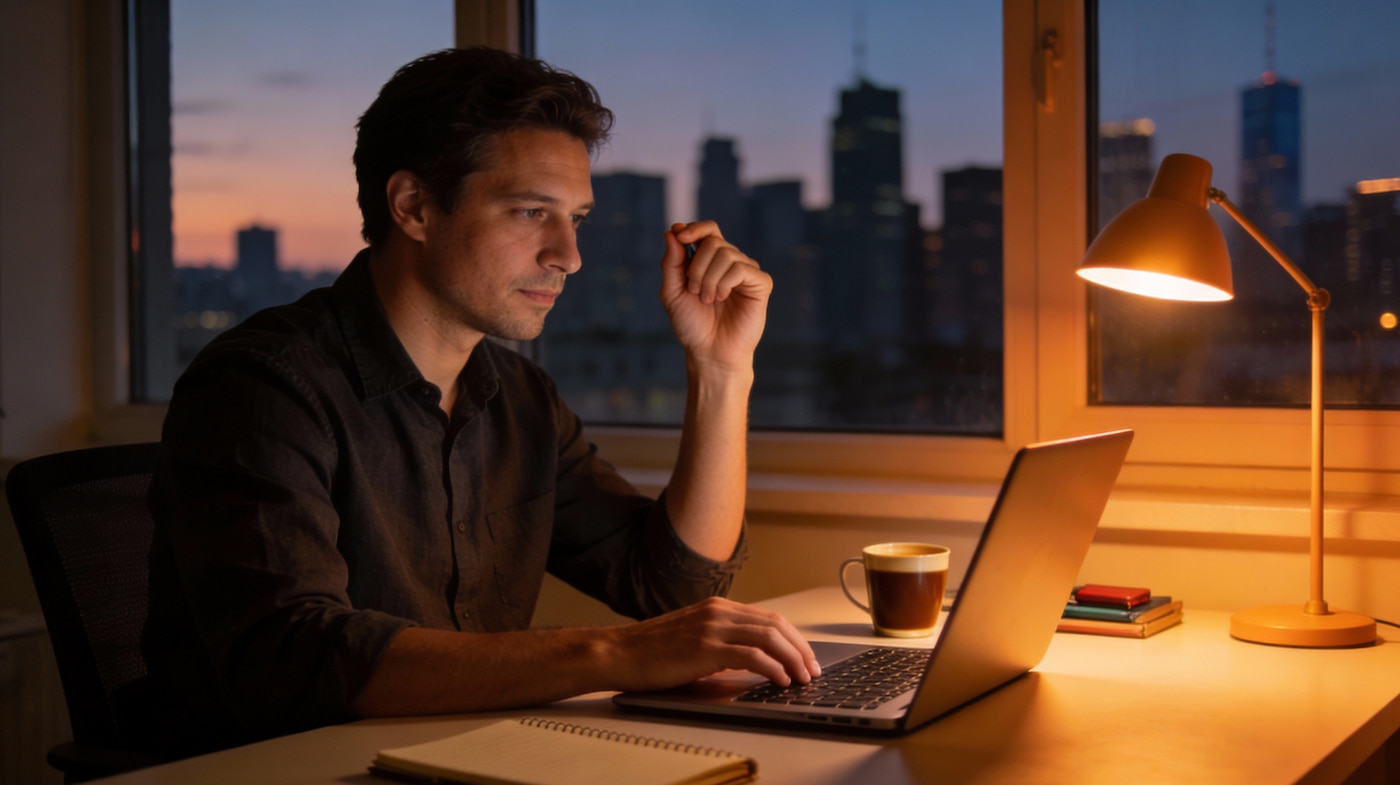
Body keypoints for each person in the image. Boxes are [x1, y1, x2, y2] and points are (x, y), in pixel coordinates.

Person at [139, 46, 818, 757]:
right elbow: (295, 657)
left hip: (464, 759)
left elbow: (670, 584)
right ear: (414, 207)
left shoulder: (521, 396)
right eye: (532, 212)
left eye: (577, 219)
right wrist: (614, 653)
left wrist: (720, 369)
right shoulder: (262, 384)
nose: (568, 255)